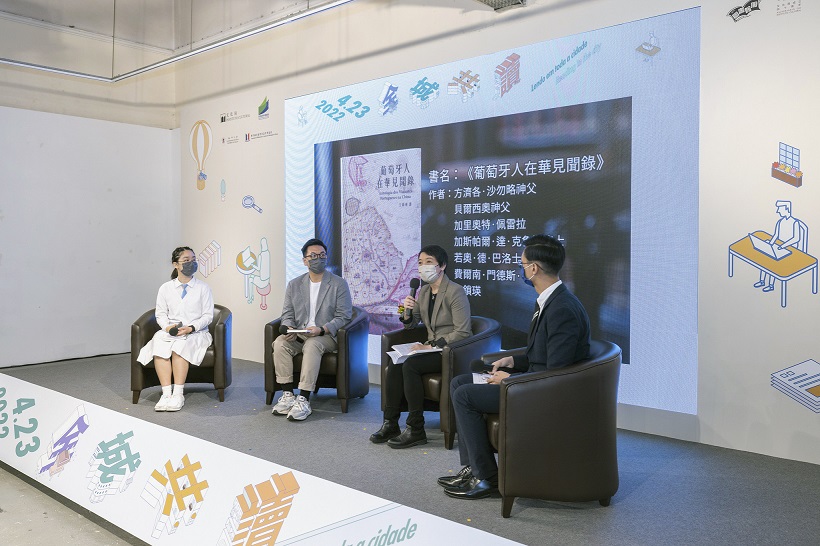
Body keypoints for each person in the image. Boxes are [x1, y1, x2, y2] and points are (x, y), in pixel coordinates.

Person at [439, 234, 591, 499]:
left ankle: (487, 478)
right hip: (532, 382)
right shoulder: (549, 300)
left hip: (540, 393)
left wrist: (508, 381)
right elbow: (543, 354)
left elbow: (556, 372)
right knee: (460, 382)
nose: (521, 269)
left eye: (522, 264)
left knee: (465, 395)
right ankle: (473, 467)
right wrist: (513, 362)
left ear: (534, 269)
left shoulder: (562, 308)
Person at [370, 245, 472, 448]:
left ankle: (416, 428)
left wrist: (432, 345)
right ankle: (390, 423)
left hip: (449, 351)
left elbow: (463, 332)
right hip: (430, 348)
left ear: (442, 265)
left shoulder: (455, 291)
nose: (423, 267)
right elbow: (410, 324)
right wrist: (405, 309)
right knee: (396, 362)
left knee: (411, 365)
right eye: (419, 263)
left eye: (428, 262)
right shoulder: (423, 292)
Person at [271, 238, 353, 421]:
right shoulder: (294, 284)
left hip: (326, 336)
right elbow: (287, 313)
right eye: (313, 256)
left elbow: (344, 316)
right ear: (305, 260)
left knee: (313, 345)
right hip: (300, 334)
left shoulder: (339, 284)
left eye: (322, 255)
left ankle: (304, 399)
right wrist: (289, 327)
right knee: (279, 343)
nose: (318, 259)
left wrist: (322, 329)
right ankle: (287, 395)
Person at [137, 246, 214, 412]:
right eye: (186, 260)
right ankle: (166, 394)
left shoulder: (203, 288)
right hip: (171, 331)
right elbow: (160, 314)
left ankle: (178, 394)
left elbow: (208, 316)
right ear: (175, 265)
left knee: (180, 347)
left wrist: (191, 328)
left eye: (193, 260)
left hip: (196, 332)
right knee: (159, 343)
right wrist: (168, 327)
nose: (191, 263)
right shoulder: (165, 288)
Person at [754, 200, 804, 292]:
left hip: (790, 250)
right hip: (779, 247)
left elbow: (796, 238)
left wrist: (783, 245)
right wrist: (770, 243)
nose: (778, 211)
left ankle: (771, 285)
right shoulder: (780, 221)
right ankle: (762, 281)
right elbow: (776, 235)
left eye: (779, 209)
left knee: (773, 261)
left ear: (786, 209)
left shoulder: (795, 223)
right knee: (766, 258)